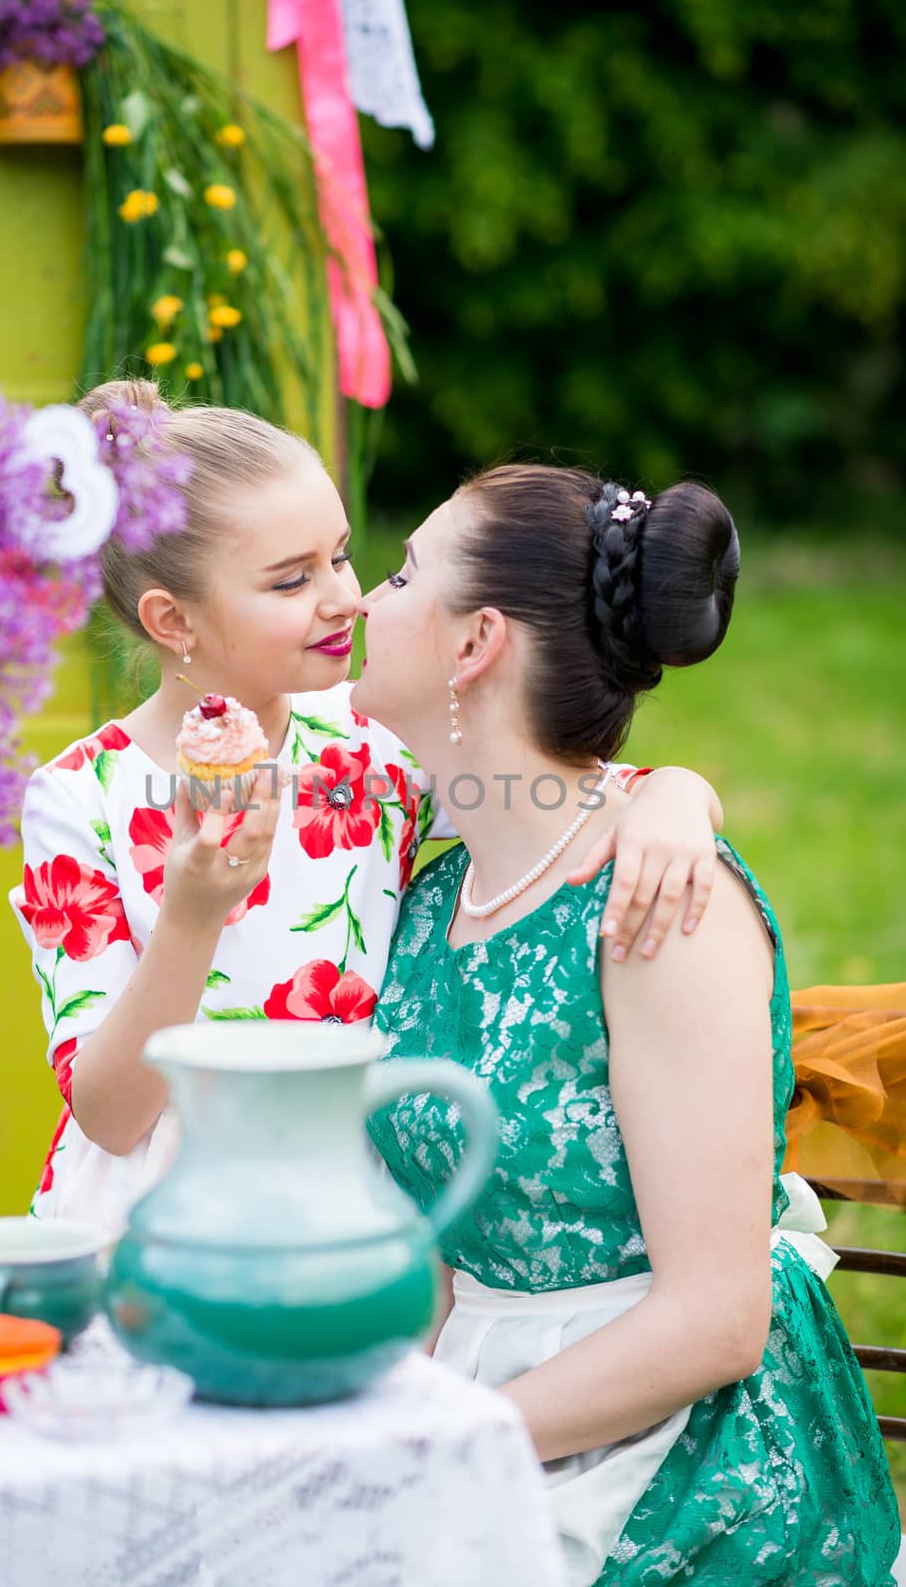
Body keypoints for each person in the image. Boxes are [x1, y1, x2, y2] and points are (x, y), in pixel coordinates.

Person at [10, 383, 724, 1239]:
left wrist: (677, 793)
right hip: (163, 1225)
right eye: (290, 581)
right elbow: (110, 1116)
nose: (345, 598)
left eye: (342, 556)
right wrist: (194, 912)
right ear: (174, 620)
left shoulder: (369, 744)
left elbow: (569, 795)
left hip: (350, 1211)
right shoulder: (78, 800)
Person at [359, 467, 900, 1586]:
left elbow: (715, 1322)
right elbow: (449, 1256)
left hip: (681, 1453)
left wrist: (442, 1446)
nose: (365, 598)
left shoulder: (660, 911)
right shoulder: (424, 892)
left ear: (475, 645)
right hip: (475, 1402)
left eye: (402, 572)